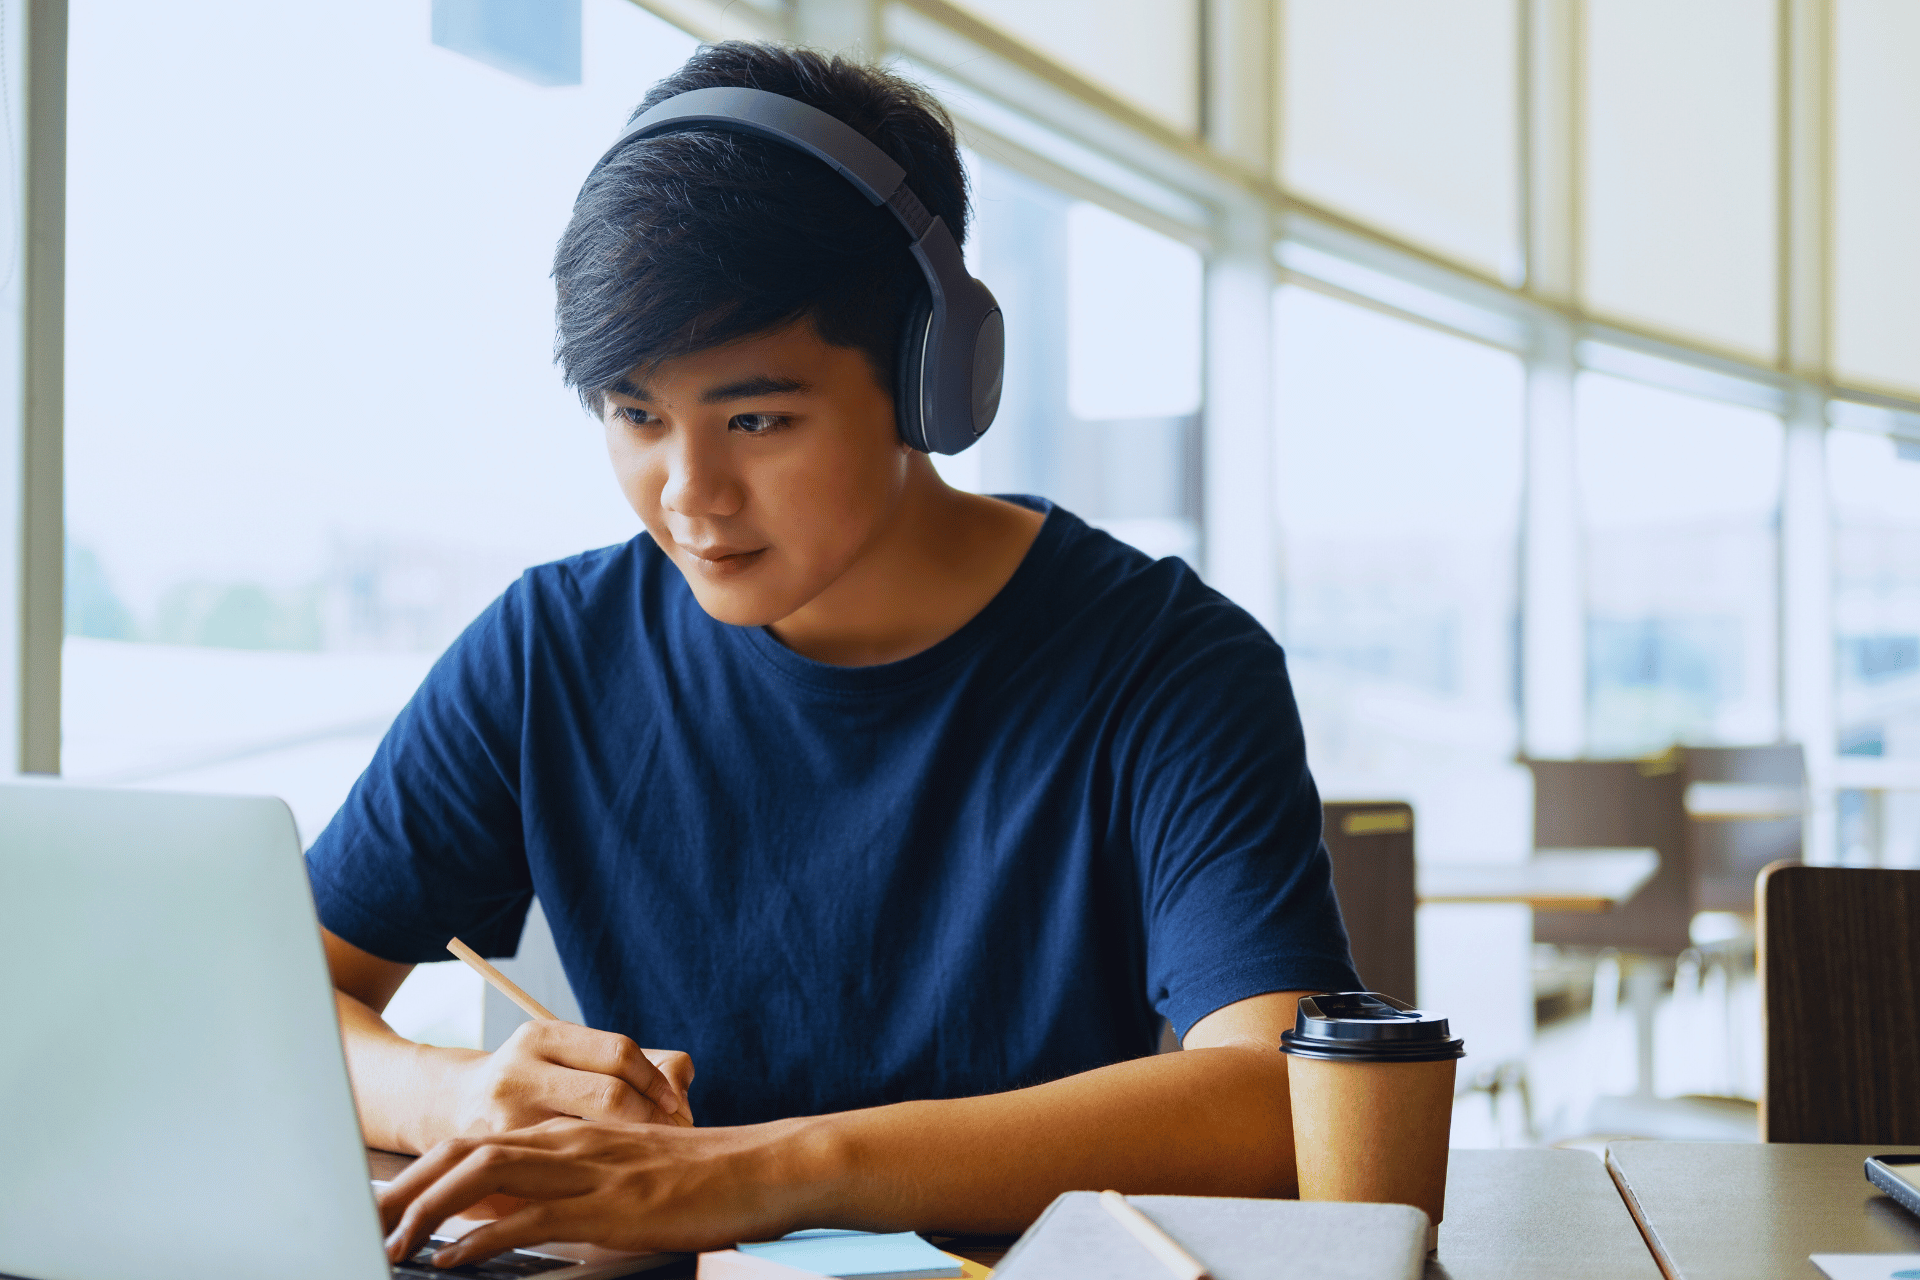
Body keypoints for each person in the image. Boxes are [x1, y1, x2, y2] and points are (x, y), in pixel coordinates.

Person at [310, 41, 1360, 1268]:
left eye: (757, 418)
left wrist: (757, 1170)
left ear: (934, 379)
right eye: (637, 415)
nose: (690, 494)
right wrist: (459, 1096)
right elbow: (275, 997)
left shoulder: (1169, 665)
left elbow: (1272, 1093)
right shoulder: (549, 648)